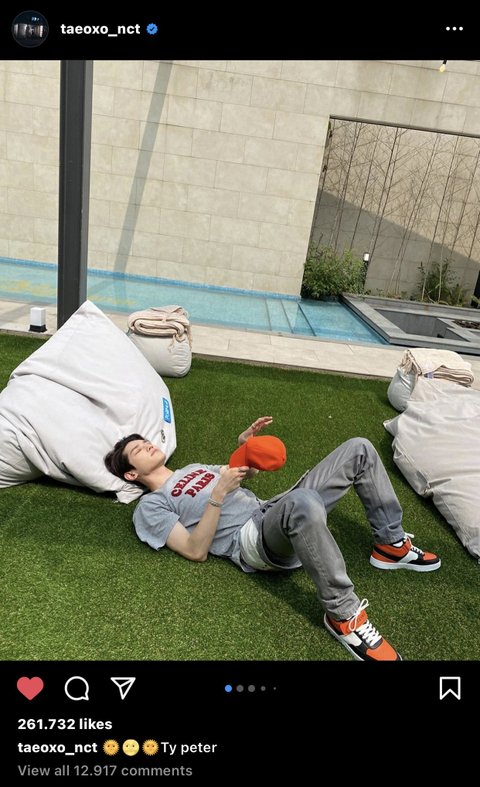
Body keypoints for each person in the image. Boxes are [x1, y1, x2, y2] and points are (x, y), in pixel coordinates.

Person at [104, 416, 441, 662]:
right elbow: (195, 551)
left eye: (144, 440)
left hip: (272, 510)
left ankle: (390, 544)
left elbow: (242, 471)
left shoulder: (192, 468)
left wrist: (246, 448)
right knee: (303, 503)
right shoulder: (152, 505)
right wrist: (217, 496)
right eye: (137, 449)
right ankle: (343, 615)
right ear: (131, 473)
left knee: (359, 448)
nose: (147, 444)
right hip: (252, 540)